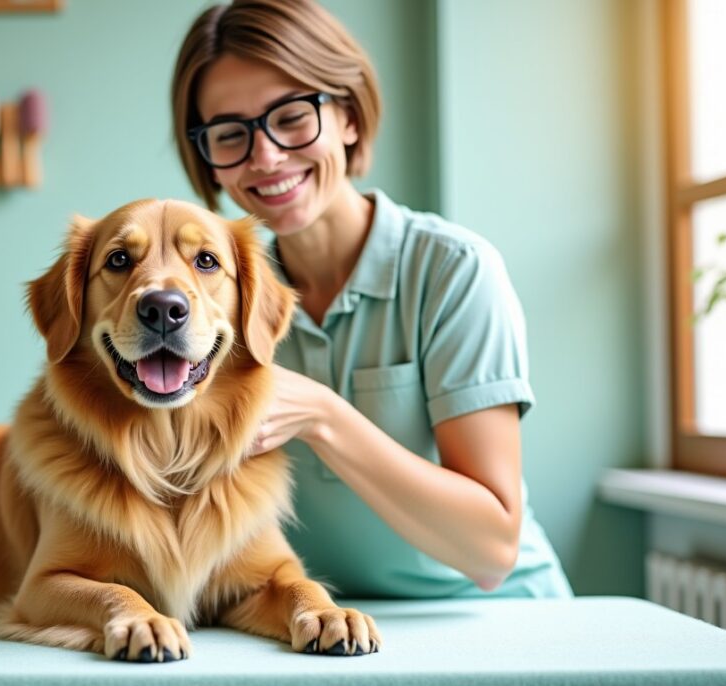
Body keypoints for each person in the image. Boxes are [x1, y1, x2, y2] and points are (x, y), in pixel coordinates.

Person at [171, 0, 572, 598]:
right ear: (208, 158)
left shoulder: (453, 272)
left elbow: (491, 551)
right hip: (330, 626)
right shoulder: (213, 302)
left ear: (349, 117)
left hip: (496, 618)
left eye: (292, 116)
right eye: (231, 134)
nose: (267, 156)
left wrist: (322, 414)